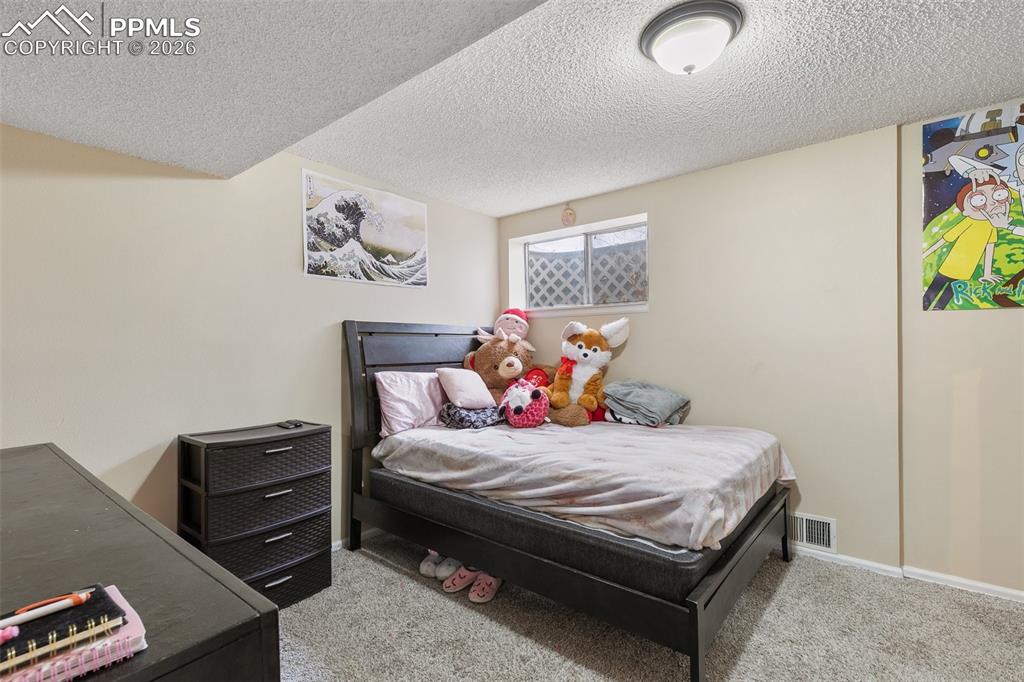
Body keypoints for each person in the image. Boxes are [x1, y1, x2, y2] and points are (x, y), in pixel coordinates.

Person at [922, 176, 1011, 310]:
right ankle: (926, 304)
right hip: (949, 266)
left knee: (947, 296)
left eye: (998, 195)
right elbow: (945, 239)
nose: (991, 204)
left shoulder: (991, 226)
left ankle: (937, 308)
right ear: (966, 209)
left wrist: (987, 274)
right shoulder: (969, 221)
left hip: (966, 270)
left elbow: (990, 249)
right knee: (934, 290)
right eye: (979, 200)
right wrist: (925, 254)